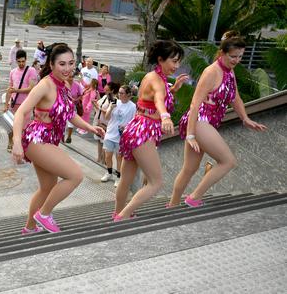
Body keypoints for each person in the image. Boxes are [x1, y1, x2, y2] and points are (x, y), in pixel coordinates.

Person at [12, 44, 104, 234]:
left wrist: (90, 128)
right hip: (38, 139)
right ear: (52, 64)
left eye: (71, 63)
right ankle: (44, 214)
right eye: (62, 64)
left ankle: (30, 227)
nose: (68, 68)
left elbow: (70, 114)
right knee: (75, 175)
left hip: (49, 140)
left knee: (47, 187)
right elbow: (21, 112)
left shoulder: (64, 85)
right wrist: (16, 144)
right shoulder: (45, 85)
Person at [169, 37, 267, 208]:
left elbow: (235, 97)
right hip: (199, 120)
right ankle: (193, 198)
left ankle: (173, 205)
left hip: (207, 123)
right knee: (228, 161)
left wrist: (245, 118)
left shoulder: (230, 71)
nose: (237, 60)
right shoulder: (211, 72)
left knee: (189, 169)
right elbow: (194, 104)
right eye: (233, 56)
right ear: (222, 53)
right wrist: (191, 134)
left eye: (240, 56)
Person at [114, 40, 188, 221]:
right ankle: (122, 217)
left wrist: (174, 89)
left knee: (126, 179)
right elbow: (159, 101)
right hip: (144, 131)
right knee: (156, 182)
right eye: (174, 61)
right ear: (161, 59)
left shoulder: (152, 76)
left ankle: (117, 213)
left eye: (178, 61)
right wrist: (165, 116)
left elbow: (154, 97)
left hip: (135, 128)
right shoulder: (157, 82)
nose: (176, 66)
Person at [100, 85, 135, 186]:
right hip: (110, 132)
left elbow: (133, 121)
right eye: (119, 93)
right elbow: (106, 118)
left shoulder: (132, 106)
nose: (119, 95)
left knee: (119, 157)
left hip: (121, 135)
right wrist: (111, 108)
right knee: (107, 155)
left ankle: (118, 177)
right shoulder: (115, 102)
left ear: (128, 95)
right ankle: (109, 172)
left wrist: (126, 126)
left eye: (122, 93)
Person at [5, 50, 38, 151]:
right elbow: (9, 88)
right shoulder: (13, 72)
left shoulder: (31, 70)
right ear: (16, 61)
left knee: (24, 127)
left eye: (23, 61)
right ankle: (10, 142)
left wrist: (16, 90)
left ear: (26, 59)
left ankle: (22, 146)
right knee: (11, 125)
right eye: (19, 61)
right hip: (14, 103)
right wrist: (6, 104)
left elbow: (31, 88)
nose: (21, 63)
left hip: (26, 104)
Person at [92, 82, 117, 164]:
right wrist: (96, 103)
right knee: (99, 140)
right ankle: (99, 157)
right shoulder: (105, 97)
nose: (105, 91)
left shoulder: (114, 100)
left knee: (104, 142)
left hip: (106, 124)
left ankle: (104, 160)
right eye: (105, 89)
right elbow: (99, 105)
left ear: (112, 90)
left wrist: (97, 107)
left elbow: (108, 112)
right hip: (99, 121)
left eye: (107, 90)